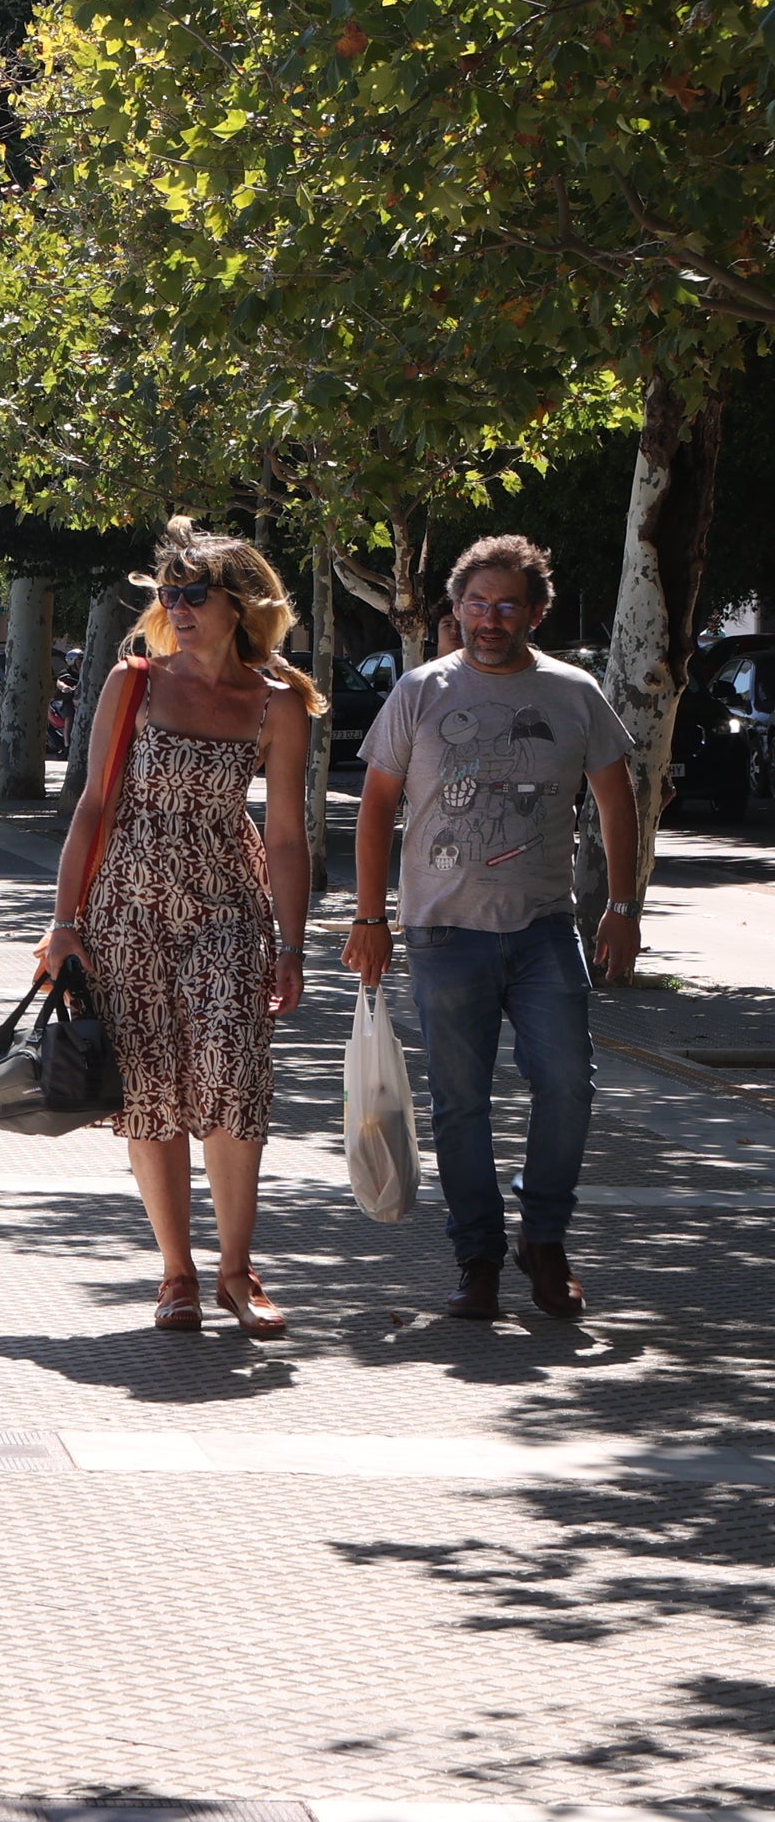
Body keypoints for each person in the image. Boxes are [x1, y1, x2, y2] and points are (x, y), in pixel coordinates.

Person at [340, 534, 639, 1319]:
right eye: (476, 603)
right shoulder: (421, 691)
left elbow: (616, 799)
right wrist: (371, 916)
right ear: (458, 610)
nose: (490, 619)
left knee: (568, 1084)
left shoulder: (574, 692)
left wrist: (622, 906)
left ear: (536, 612)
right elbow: (375, 807)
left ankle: (543, 1240)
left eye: (508, 605)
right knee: (460, 1103)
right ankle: (477, 1255)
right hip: (445, 933)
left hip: (545, 929)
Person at [39, 522, 321, 1336]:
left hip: (230, 906)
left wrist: (292, 943)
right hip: (126, 907)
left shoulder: (280, 703)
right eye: (168, 593)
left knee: (232, 1073)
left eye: (195, 593)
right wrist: (64, 923)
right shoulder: (134, 683)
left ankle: (238, 1269)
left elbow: (289, 836)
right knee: (151, 1093)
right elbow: (92, 805)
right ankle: (177, 1273)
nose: (178, 607)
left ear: (241, 604)